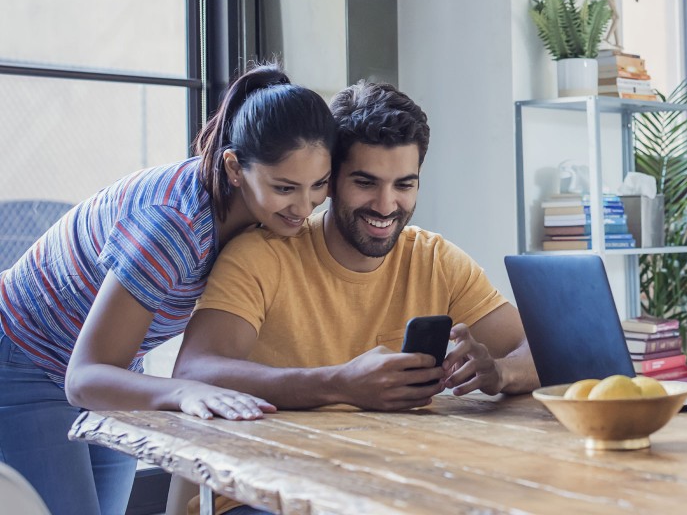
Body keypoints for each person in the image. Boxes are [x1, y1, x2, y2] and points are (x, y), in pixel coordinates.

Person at [173, 80, 539, 515]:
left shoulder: (435, 259)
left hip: (385, 491)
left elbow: (538, 349)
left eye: (405, 184)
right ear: (329, 182)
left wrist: (497, 373)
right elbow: (196, 369)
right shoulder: (260, 256)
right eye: (365, 182)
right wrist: (339, 383)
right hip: (258, 495)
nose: (386, 205)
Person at [0, 63, 338, 515]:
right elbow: (82, 379)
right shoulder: (174, 226)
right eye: (285, 187)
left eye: (319, 185)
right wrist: (184, 391)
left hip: (116, 363)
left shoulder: (259, 214)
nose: (304, 207)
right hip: (24, 354)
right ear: (234, 168)